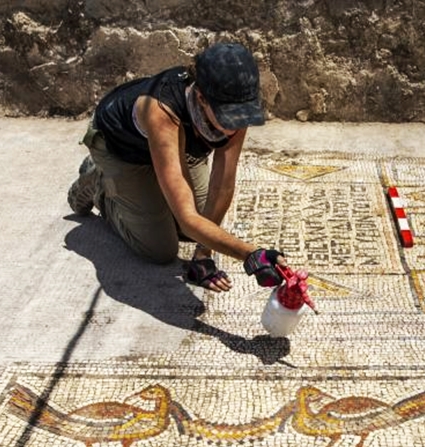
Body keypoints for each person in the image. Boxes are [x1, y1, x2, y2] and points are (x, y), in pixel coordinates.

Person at [67, 42, 285, 292]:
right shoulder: (162, 111)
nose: (237, 125)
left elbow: (223, 185)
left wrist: (203, 254)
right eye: (229, 116)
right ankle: (99, 183)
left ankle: (150, 191)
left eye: (243, 114)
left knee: (203, 229)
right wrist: (250, 254)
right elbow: (187, 217)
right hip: (122, 149)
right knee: (159, 249)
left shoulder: (235, 99)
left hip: (174, 149)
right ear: (202, 98)